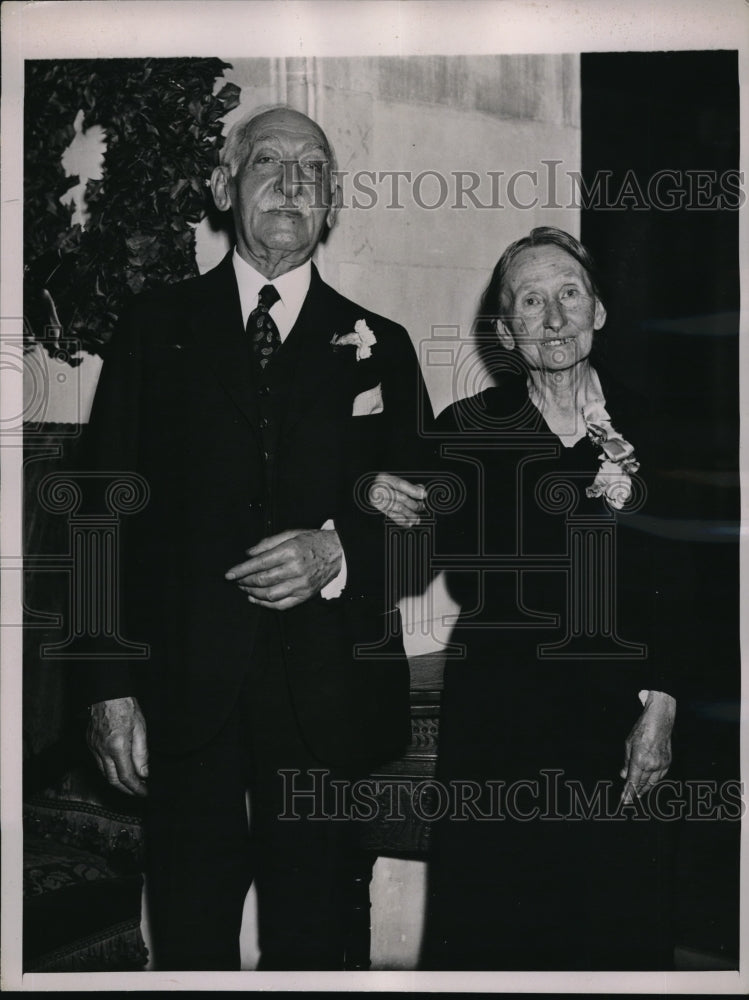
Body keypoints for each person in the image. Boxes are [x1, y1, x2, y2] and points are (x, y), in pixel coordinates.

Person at [82, 105, 431, 971]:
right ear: (223, 185)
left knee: (318, 943)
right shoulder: (153, 328)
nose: (291, 181)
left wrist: (338, 552)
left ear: (332, 200)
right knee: (192, 937)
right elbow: (97, 515)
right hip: (184, 696)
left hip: (330, 704)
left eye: (312, 167)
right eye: (267, 161)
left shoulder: (380, 348)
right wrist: (105, 686)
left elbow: (430, 520)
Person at [400, 227, 692, 970]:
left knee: (614, 930)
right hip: (500, 716)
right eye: (531, 300)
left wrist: (659, 709)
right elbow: (434, 556)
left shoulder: (656, 425)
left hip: (618, 717)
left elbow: (691, 586)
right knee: (494, 932)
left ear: (599, 312)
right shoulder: (463, 434)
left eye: (570, 294)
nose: (555, 316)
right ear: (504, 332)